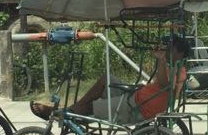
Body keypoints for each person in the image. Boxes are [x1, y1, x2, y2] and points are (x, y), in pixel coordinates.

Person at [31, 35, 191, 123]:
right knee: (106, 79)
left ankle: (58, 113)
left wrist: (161, 59)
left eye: (171, 47)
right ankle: (73, 108)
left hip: (137, 107)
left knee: (92, 107)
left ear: (179, 53)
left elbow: (164, 85)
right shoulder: (172, 65)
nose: (168, 49)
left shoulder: (178, 70)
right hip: (137, 97)